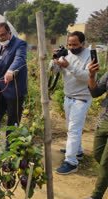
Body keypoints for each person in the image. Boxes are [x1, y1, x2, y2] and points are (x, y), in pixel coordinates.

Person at [49, 31, 92, 175]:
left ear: (83, 44)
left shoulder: (90, 55)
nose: (72, 47)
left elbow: (88, 77)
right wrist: (54, 61)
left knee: (73, 129)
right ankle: (78, 151)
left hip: (81, 98)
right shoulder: (66, 54)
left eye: (75, 44)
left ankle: (71, 162)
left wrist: (69, 66)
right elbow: (55, 71)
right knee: (70, 127)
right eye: (69, 44)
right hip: (68, 97)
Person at [0, 22, 27, 144]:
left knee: (13, 118)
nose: (1, 38)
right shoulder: (0, 45)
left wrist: (11, 71)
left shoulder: (20, 44)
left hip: (13, 89)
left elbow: (19, 59)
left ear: (10, 33)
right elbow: (0, 64)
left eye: (3, 35)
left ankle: (10, 144)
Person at [84, 60, 107, 199]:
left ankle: (96, 196)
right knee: (98, 155)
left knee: (106, 163)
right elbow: (95, 91)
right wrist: (91, 75)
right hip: (104, 120)